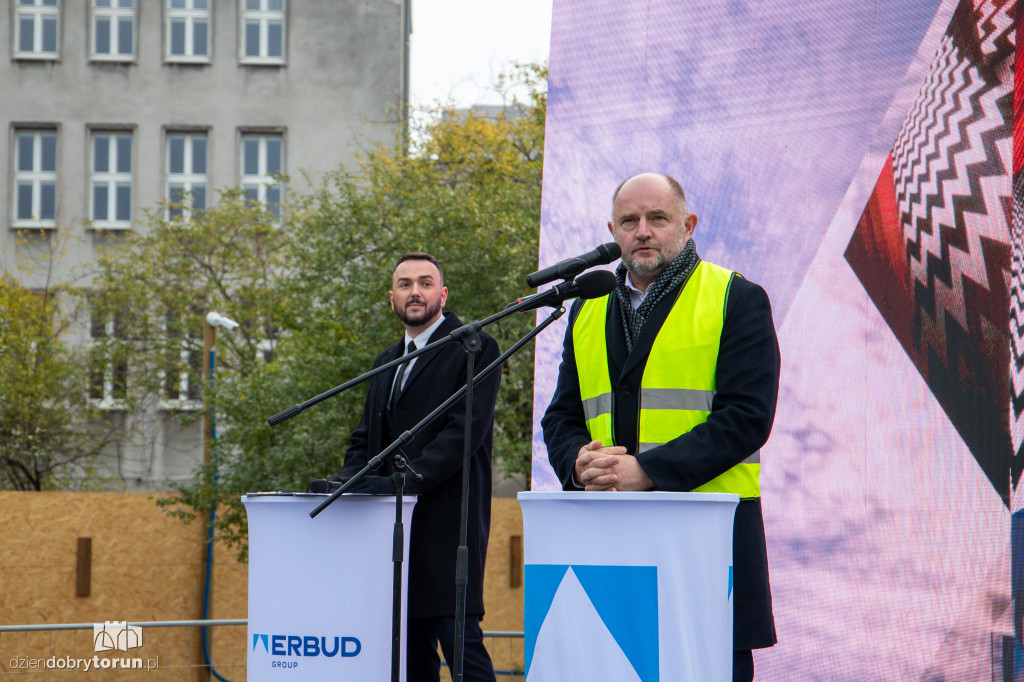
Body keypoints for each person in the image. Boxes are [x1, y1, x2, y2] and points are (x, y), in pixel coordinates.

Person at [541, 173, 779, 682]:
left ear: (688, 225)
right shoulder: (585, 308)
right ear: (613, 230)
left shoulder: (736, 298)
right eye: (629, 221)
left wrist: (646, 471)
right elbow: (561, 416)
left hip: (710, 547)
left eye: (658, 218)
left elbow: (747, 418)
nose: (643, 231)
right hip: (612, 550)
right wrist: (577, 462)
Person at [328, 252, 500, 682]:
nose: (415, 292)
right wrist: (348, 484)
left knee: (461, 651)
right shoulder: (386, 359)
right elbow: (365, 438)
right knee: (407, 658)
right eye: (405, 284)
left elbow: (462, 435)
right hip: (391, 534)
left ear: (442, 294)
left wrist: (402, 482)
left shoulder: (472, 347)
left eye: (425, 283)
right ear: (392, 298)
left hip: (446, 527)